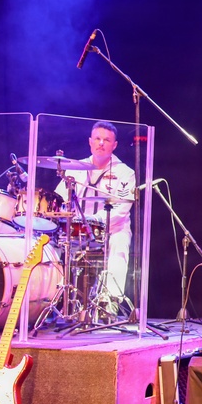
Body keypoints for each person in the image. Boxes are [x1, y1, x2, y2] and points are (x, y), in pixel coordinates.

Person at [54, 121, 136, 314]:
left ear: (114, 145)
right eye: (97, 139)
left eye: (106, 140)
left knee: (119, 244)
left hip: (111, 230)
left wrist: (93, 222)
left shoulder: (125, 173)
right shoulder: (74, 169)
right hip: (76, 231)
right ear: (90, 142)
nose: (101, 143)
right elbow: (58, 201)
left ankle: (110, 302)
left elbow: (121, 210)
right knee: (50, 242)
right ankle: (51, 297)